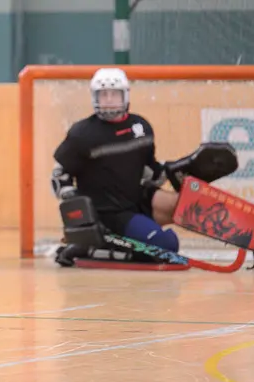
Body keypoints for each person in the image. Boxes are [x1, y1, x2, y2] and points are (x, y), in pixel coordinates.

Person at [51, 68, 237, 266]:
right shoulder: (82, 134)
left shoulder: (141, 127)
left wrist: (182, 169)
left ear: (126, 95)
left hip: (137, 198)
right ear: (94, 97)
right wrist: (78, 209)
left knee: (189, 206)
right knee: (167, 245)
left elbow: (150, 172)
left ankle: (246, 236)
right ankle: (93, 247)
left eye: (114, 94)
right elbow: (59, 177)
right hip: (109, 214)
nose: (109, 100)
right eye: (103, 95)